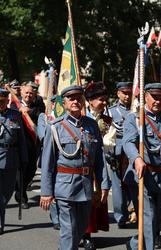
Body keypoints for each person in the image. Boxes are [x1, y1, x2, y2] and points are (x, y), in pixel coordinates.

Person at [40, 85, 110, 250]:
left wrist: (104, 184)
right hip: (65, 187)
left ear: (84, 101)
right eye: (71, 98)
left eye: (79, 98)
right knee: (69, 231)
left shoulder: (92, 126)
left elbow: (99, 158)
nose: (75, 101)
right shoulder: (55, 127)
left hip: (85, 186)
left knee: (80, 228)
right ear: (64, 103)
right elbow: (47, 162)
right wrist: (46, 192)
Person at [123, 83, 161, 250]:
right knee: (148, 219)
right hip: (142, 175)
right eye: (155, 97)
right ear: (146, 97)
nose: (158, 101)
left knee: (156, 218)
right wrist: (136, 158)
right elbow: (127, 142)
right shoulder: (135, 118)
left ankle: (135, 243)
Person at [80, 82, 112, 250]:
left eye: (106, 100)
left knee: (93, 201)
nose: (104, 103)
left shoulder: (107, 119)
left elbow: (109, 144)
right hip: (80, 164)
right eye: (101, 99)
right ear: (90, 100)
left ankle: (87, 234)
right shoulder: (80, 115)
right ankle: (77, 232)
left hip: (98, 165)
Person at [0, 88, 28, 235]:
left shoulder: (15, 115)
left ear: (7, 101)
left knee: (7, 193)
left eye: (3, 101)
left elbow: (21, 138)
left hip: (11, 158)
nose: (1, 104)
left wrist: (24, 158)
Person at [14, 82, 45, 209]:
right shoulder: (14, 105)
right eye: (26, 93)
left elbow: (40, 115)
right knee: (21, 169)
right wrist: (19, 112)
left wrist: (28, 112)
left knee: (31, 171)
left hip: (33, 143)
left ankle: (20, 189)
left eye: (31, 93)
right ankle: (22, 196)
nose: (28, 95)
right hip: (18, 144)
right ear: (21, 93)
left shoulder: (38, 106)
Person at [108, 81, 134, 229]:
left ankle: (132, 209)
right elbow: (106, 135)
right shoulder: (111, 111)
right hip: (117, 154)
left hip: (133, 153)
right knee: (118, 187)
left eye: (129, 93)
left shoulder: (136, 110)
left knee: (133, 185)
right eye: (124, 93)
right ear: (118, 93)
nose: (127, 96)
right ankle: (120, 216)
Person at [37, 95, 60, 230]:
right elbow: (42, 135)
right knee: (50, 185)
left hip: (64, 159)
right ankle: (56, 218)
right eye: (54, 102)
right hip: (49, 157)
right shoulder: (44, 117)